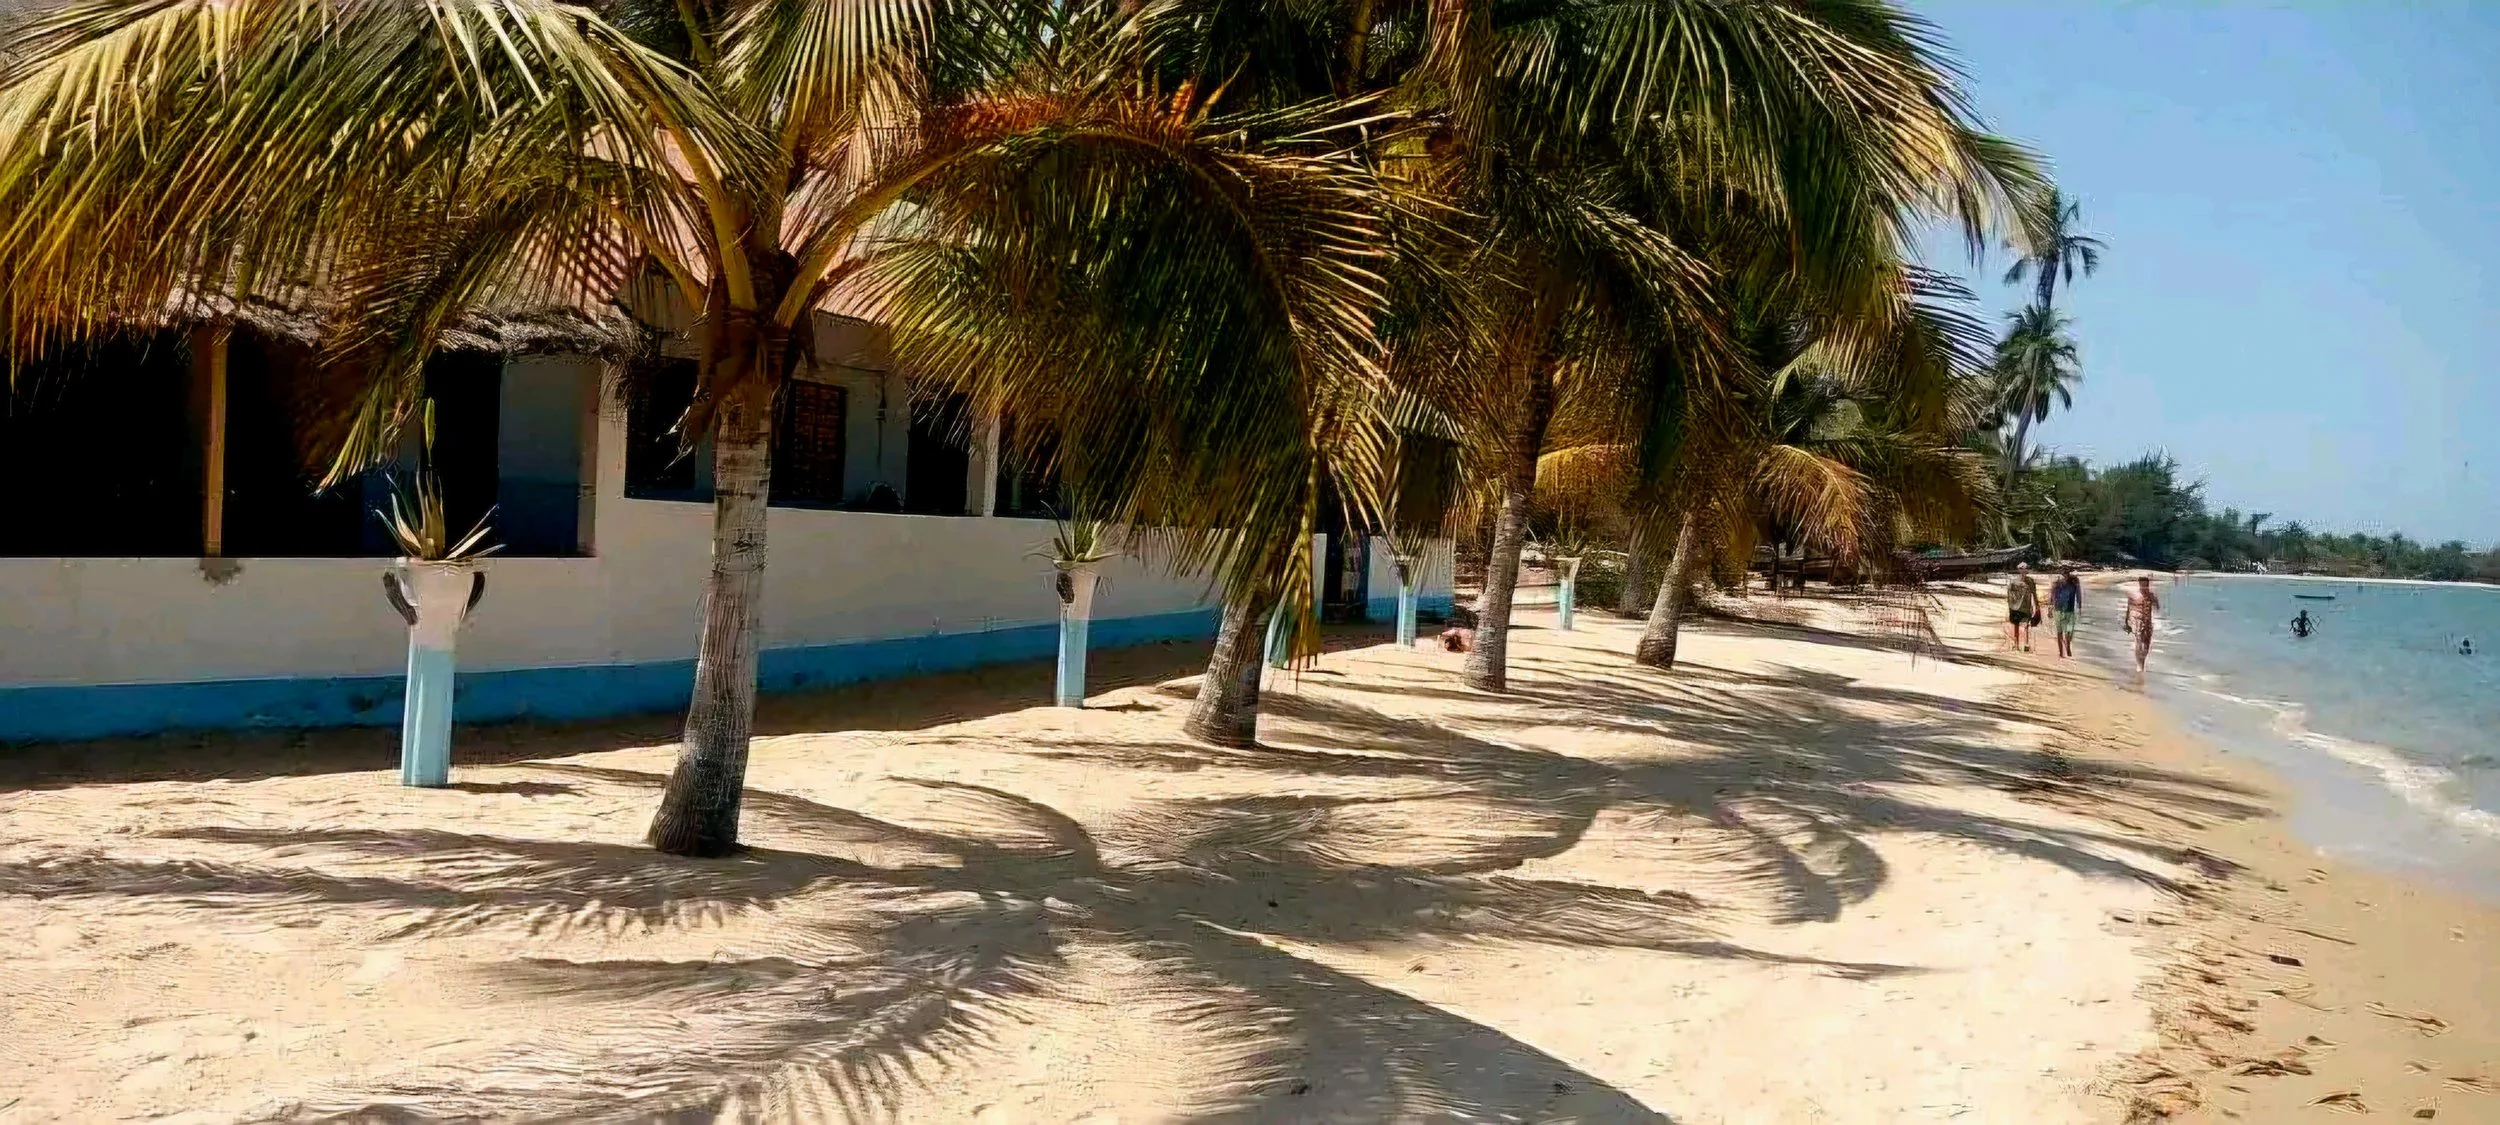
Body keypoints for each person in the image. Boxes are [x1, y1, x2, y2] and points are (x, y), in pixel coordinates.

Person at [2124, 575, 2162, 685]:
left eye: (2147, 586)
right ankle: (2139, 664)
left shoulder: (2151, 596)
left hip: (2148, 623)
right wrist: (2126, 622)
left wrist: (2154, 600)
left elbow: (2157, 607)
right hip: (2137, 622)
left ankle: (2142, 662)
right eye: (2143, 585)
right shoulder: (2134, 596)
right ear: (2140, 584)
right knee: (2139, 642)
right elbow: (2128, 609)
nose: (2145, 588)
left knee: (2147, 644)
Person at [2005, 562, 2040, 652]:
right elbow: (2009, 596)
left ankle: (2026, 643)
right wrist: (2010, 607)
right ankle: (2016, 644)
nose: (2023, 570)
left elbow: (2034, 594)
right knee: (2016, 625)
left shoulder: (2030, 581)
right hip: (2015, 607)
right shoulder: (2013, 582)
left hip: (2026, 606)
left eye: (2025, 568)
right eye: (2021, 568)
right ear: (2019, 570)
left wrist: (2036, 606)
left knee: (2026, 625)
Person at [2050, 566, 2083, 658]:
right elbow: (2052, 595)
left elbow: (2078, 594)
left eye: (2067, 573)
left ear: (2069, 574)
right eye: (2064, 573)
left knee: (2069, 631)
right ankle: (2061, 652)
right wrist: (2050, 607)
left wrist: (2080, 606)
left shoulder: (2074, 582)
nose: (2065, 575)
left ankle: (2068, 645)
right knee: (2059, 631)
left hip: (2070, 610)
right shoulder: (2057, 584)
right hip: (2058, 609)